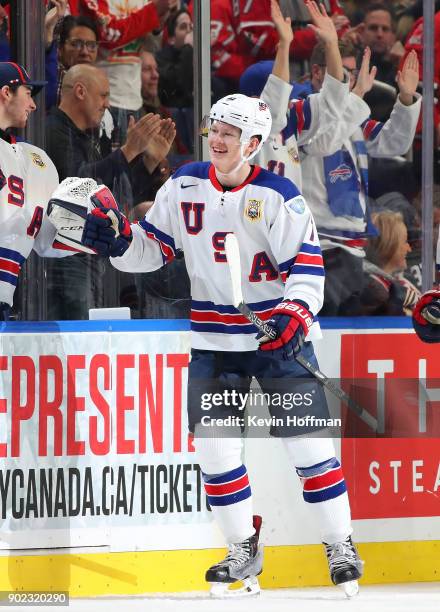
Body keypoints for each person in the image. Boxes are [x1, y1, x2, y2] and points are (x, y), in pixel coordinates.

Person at [80, 93, 363, 596]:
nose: (217, 138)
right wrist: (122, 244)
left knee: (311, 448)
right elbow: (152, 247)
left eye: (230, 133)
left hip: (279, 342)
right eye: (214, 128)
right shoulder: (185, 184)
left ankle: (340, 544)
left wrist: (294, 315)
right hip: (214, 341)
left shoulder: (280, 195)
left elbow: (307, 267)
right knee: (215, 451)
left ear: (253, 143)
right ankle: (242, 551)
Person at [300, 46, 421, 316]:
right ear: (318, 73)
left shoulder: (353, 118)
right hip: (318, 244)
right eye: (343, 72)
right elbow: (325, 140)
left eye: (352, 74)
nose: (350, 81)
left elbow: (393, 142)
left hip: (353, 247)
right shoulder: (303, 111)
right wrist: (356, 96)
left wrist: (406, 98)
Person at [0, 61, 72, 319]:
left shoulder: (34, 160)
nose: (33, 105)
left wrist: (88, 231)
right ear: (6, 92)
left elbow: (47, 240)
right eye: (28, 93)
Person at [360, 211, 420, 315]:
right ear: (389, 246)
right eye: (405, 241)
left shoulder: (398, 284)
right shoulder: (373, 291)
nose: (409, 249)